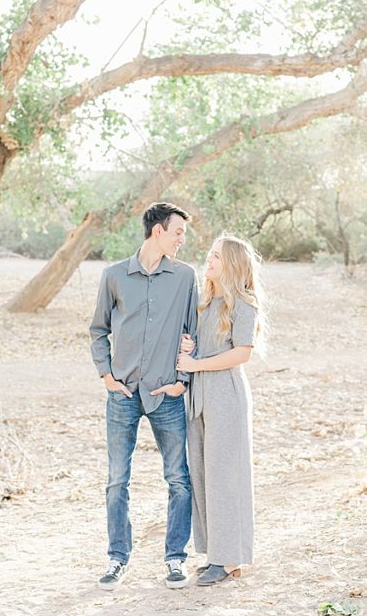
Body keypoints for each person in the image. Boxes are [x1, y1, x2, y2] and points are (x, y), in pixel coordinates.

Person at [89, 202, 198, 591]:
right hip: (122, 393)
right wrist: (106, 374)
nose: (183, 239)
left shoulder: (186, 277)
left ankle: (175, 558)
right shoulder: (114, 275)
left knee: (178, 478)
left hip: (165, 393)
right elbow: (98, 329)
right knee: (117, 480)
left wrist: (181, 381)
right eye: (178, 232)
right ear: (157, 232)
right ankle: (118, 558)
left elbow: (192, 333)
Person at [176, 235, 267, 586]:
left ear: (231, 263)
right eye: (210, 254)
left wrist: (195, 364)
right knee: (203, 473)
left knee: (225, 477)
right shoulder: (205, 301)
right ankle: (215, 553)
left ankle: (229, 559)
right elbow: (199, 347)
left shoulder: (244, 303)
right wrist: (189, 347)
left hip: (225, 395)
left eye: (216, 256)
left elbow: (241, 353)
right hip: (199, 397)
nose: (209, 260)